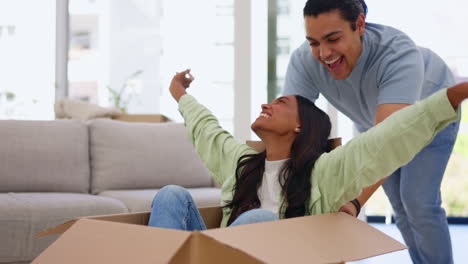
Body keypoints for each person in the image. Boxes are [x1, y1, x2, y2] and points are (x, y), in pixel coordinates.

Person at [148, 69, 466, 237]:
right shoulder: (239, 163)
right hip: (217, 256)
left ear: (301, 125)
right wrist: (179, 92)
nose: (265, 105)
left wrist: (452, 96)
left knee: (258, 219)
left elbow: (384, 140)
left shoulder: (324, 172)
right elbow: (206, 129)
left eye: (281, 103)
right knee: (171, 195)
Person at [283, 0, 460, 262]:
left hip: (431, 114)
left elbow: (390, 140)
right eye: (314, 42)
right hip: (374, 122)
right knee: (400, 207)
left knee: (417, 202)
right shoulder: (304, 61)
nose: (323, 53)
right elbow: (291, 126)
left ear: (360, 25)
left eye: (333, 38)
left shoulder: (397, 53)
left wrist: (353, 202)